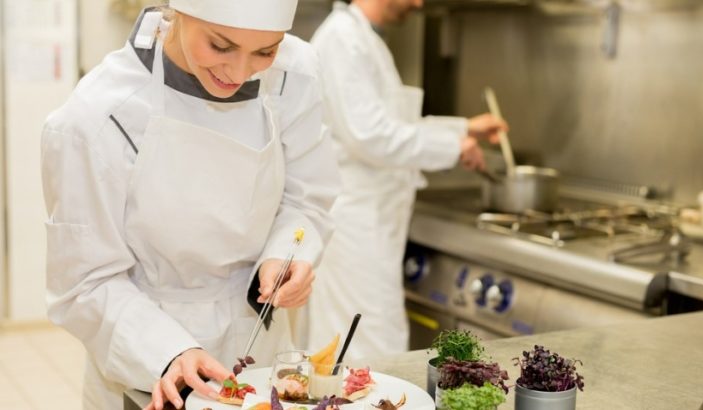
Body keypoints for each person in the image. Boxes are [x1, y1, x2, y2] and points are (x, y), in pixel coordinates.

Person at [40, 1, 339, 409]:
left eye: (264, 52)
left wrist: (288, 254)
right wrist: (169, 352)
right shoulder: (96, 117)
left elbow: (307, 197)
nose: (237, 72)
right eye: (220, 46)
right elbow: (85, 282)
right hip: (144, 356)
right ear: (178, 11)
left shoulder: (294, 73)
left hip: (263, 348)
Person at [305, 0, 508, 359]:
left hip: (376, 223)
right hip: (355, 224)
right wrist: (453, 146)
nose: (418, 3)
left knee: (371, 340)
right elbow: (371, 136)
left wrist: (463, 129)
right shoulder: (342, 40)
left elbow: (390, 123)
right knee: (369, 346)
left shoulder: (365, 39)